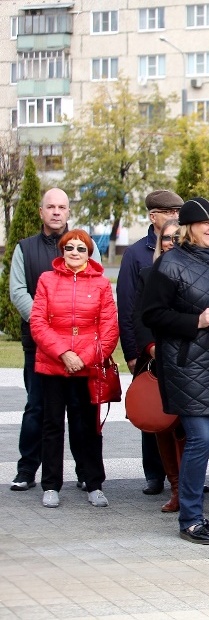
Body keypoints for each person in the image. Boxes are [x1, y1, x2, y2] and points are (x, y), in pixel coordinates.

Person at [142, 197, 209, 545]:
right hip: (184, 364)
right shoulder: (169, 264)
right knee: (201, 439)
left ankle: (195, 515)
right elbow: (152, 315)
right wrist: (197, 320)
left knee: (201, 439)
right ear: (189, 227)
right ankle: (190, 519)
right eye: (206, 222)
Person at [9, 188, 102, 492]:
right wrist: (47, 330)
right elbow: (18, 292)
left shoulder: (84, 244)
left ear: (68, 212)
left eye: (62, 207)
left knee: (79, 413)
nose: (56, 212)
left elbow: (98, 287)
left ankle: (84, 472)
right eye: (51, 207)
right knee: (37, 408)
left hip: (82, 352)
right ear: (41, 211)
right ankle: (27, 469)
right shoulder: (25, 248)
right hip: (40, 346)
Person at [31, 229, 118, 509]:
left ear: (89, 253)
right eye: (70, 248)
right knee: (52, 425)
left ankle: (94, 484)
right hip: (53, 365)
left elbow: (109, 328)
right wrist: (64, 353)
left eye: (81, 248)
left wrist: (83, 357)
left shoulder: (101, 284)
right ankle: (51, 485)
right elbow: (38, 323)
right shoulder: (47, 280)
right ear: (63, 251)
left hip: (87, 367)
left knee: (88, 427)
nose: (75, 253)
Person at [117, 190, 184, 497]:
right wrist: (133, 352)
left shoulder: (189, 252)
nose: (176, 217)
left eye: (178, 212)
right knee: (152, 411)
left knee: (181, 418)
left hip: (181, 353)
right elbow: (129, 307)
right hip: (149, 351)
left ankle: (183, 477)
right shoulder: (136, 255)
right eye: (170, 212)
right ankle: (154, 475)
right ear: (153, 216)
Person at [132, 218, 184, 513]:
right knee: (163, 425)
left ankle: (189, 484)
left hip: (190, 360)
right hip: (158, 359)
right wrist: (151, 348)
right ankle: (176, 488)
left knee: (190, 428)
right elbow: (139, 317)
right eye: (167, 238)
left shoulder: (199, 272)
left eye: (178, 237)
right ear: (159, 242)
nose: (172, 243)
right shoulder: (148, 274)